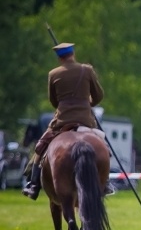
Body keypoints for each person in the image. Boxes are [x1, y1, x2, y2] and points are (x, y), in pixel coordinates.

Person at [22, 42, 105, 200]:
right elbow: (99, 96)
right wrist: (87, 103)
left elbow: (54, 102)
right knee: (103, 148)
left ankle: (33, 184)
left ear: (59, 58)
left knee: (40, 148)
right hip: (85, 120)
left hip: (61, 122)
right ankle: (104, 182)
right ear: (72, 53)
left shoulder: (53, 74)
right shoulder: (87, 70)